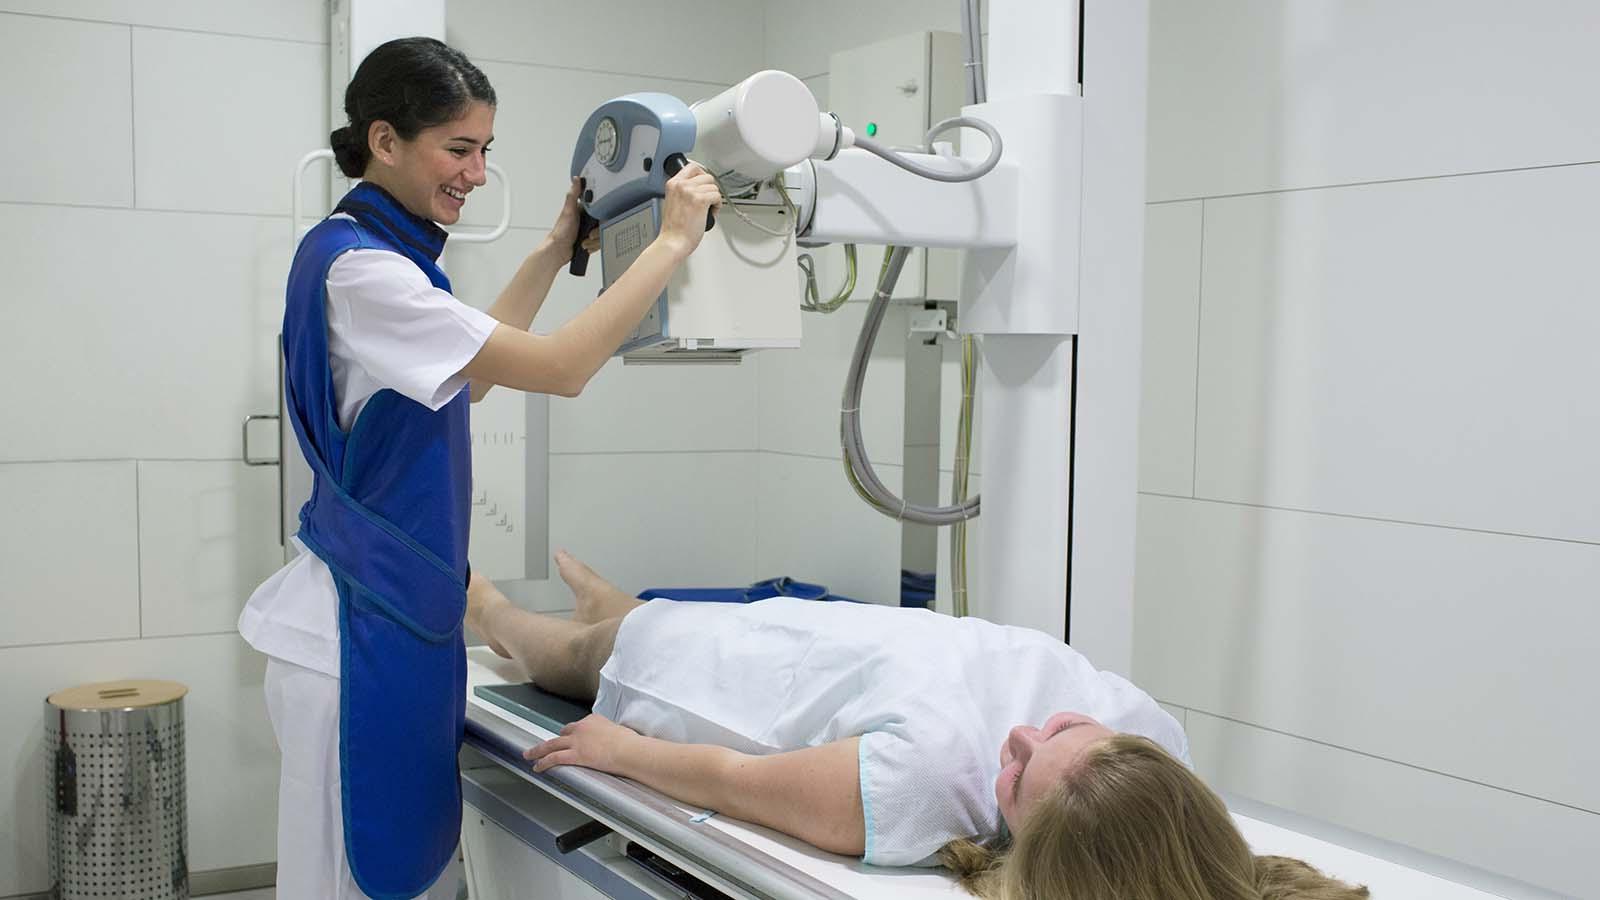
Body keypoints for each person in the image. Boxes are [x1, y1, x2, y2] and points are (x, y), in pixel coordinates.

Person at [238, 37, 722, 900]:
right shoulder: (366, 274)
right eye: (458, 149)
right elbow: (562, 370)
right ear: (385, 140)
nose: (477, 172)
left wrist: (553, 246)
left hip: (382, 613)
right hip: (356, 633)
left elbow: (478, 376)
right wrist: (672, 244)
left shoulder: (361, 252)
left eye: (486, 150)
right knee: (356, 879)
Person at [466, 554, 1371, 900]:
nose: (1018, 737)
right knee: (635, 620)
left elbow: (733, 780)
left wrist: (624, 753)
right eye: (1062, 728)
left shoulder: (915, 788)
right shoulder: (1151, 746)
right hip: (843, 639)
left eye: (1018, 776)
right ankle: (605, 604)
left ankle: (492, 610)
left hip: (719, 675)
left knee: (566, 656)